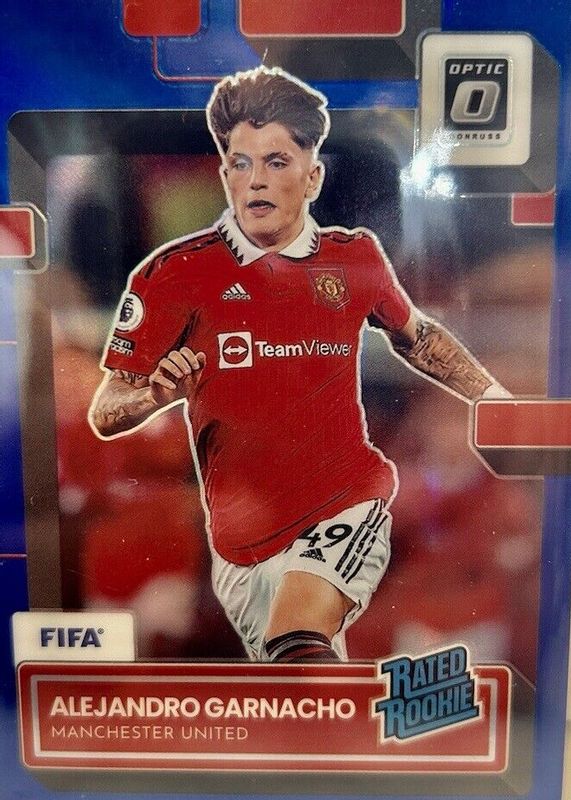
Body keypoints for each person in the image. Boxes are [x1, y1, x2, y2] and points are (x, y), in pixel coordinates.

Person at [89, 67, 508, 663]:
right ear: (225, 175)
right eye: (241, 163)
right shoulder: (172, 275)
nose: (257, 180)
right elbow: (106, 411)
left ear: (312, 177)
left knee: (299, 636)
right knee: (292, 674)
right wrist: (155, 395)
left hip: (346, 504)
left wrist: (499, 403)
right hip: (239, 550)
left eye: (277, 162)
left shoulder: (355, 257)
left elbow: (419, 340)